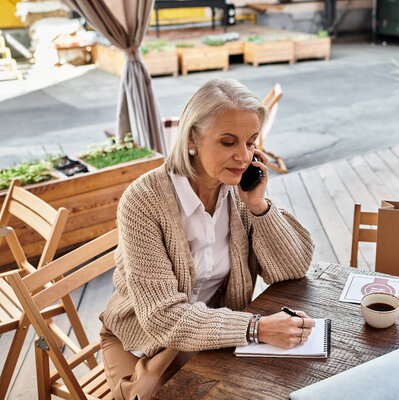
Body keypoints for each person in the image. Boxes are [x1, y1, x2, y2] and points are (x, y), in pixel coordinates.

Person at [99, 78, 315, 400]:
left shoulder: (239, 193)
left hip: (215, 327)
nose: (244, 157)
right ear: (192, 140)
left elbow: (294, 268)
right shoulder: (143, 201)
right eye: (228, 142)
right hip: (143, 338)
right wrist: (255, 327)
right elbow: (162, 316)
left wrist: (258, 206)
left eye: (252, 142)